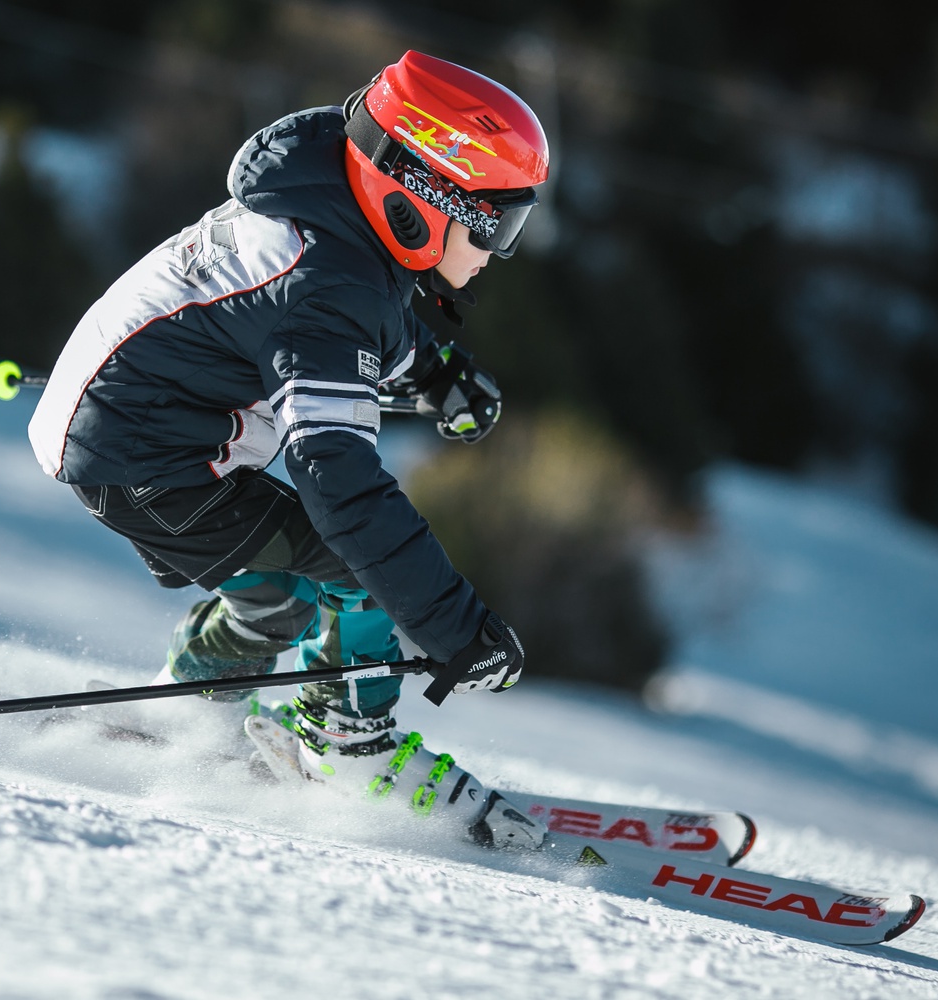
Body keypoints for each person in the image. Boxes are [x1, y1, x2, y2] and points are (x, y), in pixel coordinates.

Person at [29, 51, 550, 830]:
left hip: (135, 429)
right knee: (355, 569)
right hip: (144, 458)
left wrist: (436, 373)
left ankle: (188, 719)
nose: (498, 253)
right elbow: (337, 481)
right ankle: (350, 745)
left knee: (280, 594)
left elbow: (366, 319)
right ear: (425, 199)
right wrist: (454, 628)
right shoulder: (323, 286)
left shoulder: (329, 213)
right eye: (496, 224)